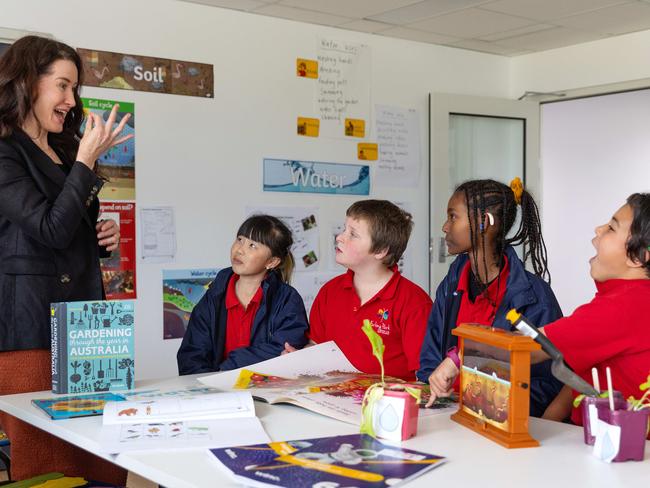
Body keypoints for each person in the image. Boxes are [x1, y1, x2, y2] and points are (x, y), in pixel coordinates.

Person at [0, 36, 132, 482]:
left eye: (74, 88)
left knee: (105, 450)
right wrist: (87, 160)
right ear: (27, 83)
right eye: (62, 85)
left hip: (89, 323)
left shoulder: (63, 149)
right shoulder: (4, 151)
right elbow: (49, 229)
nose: (70, 100)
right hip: (31, 326)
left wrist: (100, 239)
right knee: (46, 460)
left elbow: (67, 228)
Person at [419, 178, 563, 416]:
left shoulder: (535, 296)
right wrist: (435, 392)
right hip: (447, 417)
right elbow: (430, 359)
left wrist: (482, 403)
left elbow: (547, 385)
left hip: (500, 424)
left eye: (453, 217)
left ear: (484, 222)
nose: (445, 226)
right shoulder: (451, 284)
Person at [533, 193, 650, 426]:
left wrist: (456, 358)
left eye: (611, 228)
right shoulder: (633, 298)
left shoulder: (624, 306)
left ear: (638, 257)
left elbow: (524, 349)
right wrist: (549, 421)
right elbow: (581, 377)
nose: (598, 229)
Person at [300, 199, 432, 381]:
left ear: (381, 251)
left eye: (353, 234)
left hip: (385, 404)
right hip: (329, 398)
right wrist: (297, 360)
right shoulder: (330, 291)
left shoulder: (414, 302)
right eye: (344, 229)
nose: (340, 237)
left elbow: (425, 375)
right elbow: (315, 346)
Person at [177, 214, 309, 374]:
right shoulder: (214, 295)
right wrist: (207, 388)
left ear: (272, 262)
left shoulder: (287, 299)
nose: (239, 250)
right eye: (240, 239)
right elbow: (192, 354)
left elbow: (284, 349)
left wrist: (227, 369)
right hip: (214, 391)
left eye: (252, 245)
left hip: (264, 390)